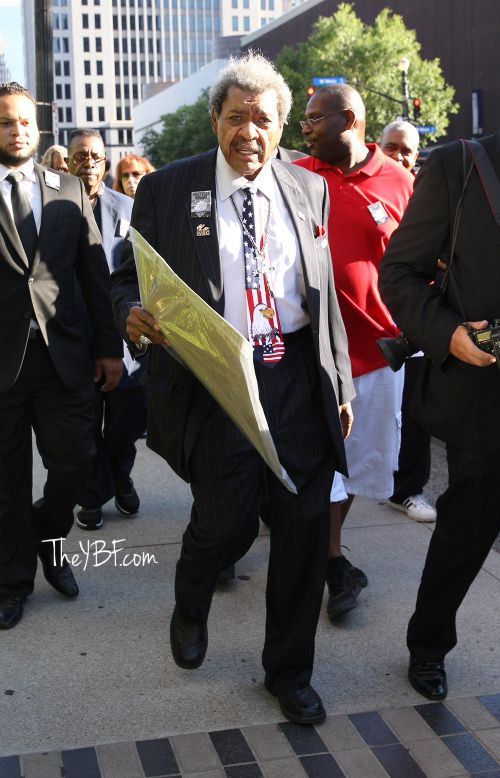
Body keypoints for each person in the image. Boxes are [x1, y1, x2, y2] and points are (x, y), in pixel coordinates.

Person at [111, 53, 354, 725]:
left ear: (283, 130)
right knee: (225, 526)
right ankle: (192, 600)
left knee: (304, 533)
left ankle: (289, 673)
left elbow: (323, 294)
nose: (251, 131)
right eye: (238, 116)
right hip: (217, 381)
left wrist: (340, 386)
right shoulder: (167, 190)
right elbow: (122, 277)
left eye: (265, 119)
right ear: (216, 119)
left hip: (296, 380)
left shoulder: (310, 190)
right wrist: (128, 313)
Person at [379, 133, 500, 701]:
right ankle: (428, 645)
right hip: (484, 398)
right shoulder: (461, 165)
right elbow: (399, 272)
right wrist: (448, 334)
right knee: (467, 529)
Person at [0, 83, 122, 629]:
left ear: (38, 127)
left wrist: (109, 349)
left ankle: (48, 536)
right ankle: (13, 580)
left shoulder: (69, 190)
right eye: (5, 121)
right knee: (5, 483)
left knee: (75, 462)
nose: (17, 129)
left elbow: (95, 275)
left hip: (65, 358)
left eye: (25, 120)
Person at [294, 85, 414, 620]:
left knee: (357, 467)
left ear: (350, 119)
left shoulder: (400, 181)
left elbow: (426, 263)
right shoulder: (293, 175)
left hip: (377, 356)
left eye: (315, 118)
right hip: (308, 353)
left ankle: (329, 553)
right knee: (317, 464)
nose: (305, 127)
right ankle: (333, 560)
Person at [66, 129, 147, 530]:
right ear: (67, 162)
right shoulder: (53, 207)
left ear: (106, 162)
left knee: (127, 420)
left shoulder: (127, 208)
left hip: (124, 337)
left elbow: (141, 273)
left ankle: (119, 473)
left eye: (96, 157)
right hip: (72, 337)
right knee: (82, 428)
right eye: (80, 156)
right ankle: (93, 495)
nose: (89, 163)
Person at [379, 121, 437, 523]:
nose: (399, 156)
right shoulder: (359, 183)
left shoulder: (433, 192)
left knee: (415, 410)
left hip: (415, 321)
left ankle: (406, 491)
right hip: (366, 321)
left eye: (407, 150)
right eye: (391, 147)